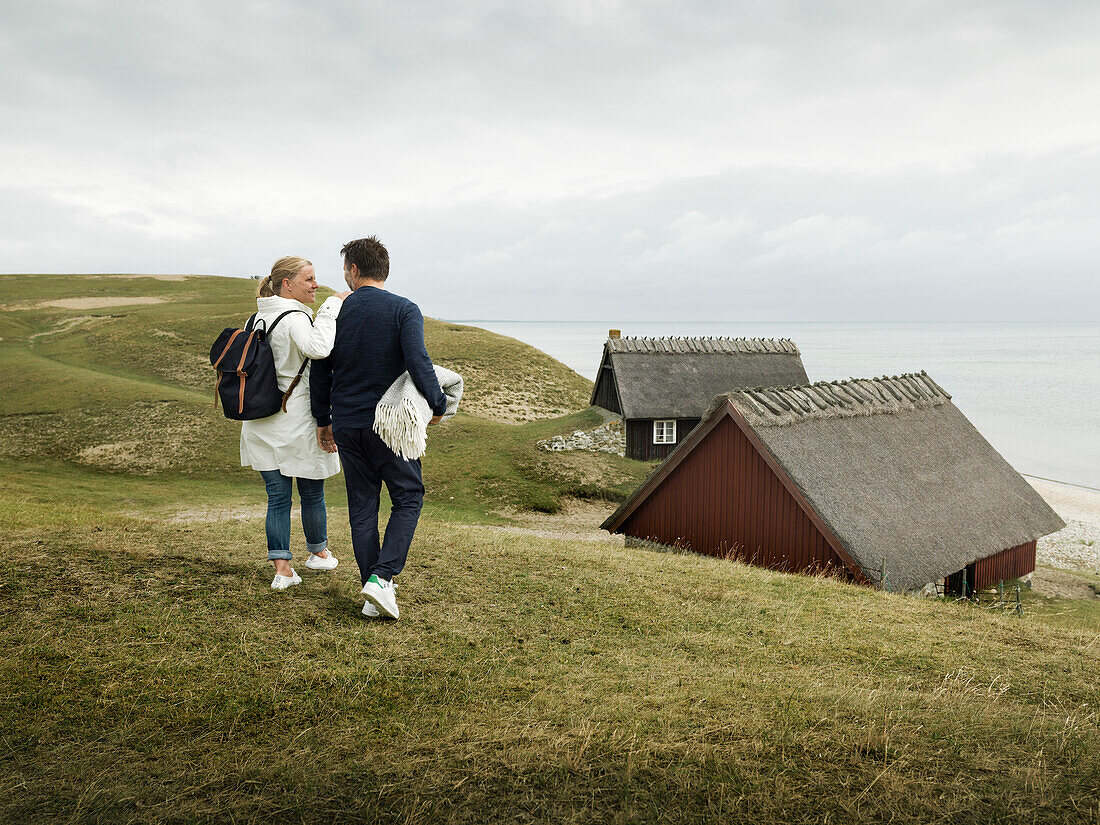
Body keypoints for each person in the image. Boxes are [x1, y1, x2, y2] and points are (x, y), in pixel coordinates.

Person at [310, 236, 446, 620]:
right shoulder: (405, 309)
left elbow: (320, 369)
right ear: (383, 269)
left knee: (363, 507)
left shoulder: (336, 311)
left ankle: (375, 586)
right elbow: (419, 362)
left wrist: (324, 421)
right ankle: (382, 579)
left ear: (354, 270)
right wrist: (439, 404)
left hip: (349, 424)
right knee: (408, 496)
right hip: (391, 424)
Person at [240, 256, 350, 590]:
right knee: (312, 492)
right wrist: (331, 308)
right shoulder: (293, 317)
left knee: (277, 496)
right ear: (287, 284)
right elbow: (318, 348)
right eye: (309, 279)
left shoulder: (256, 317)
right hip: (297, 418)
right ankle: (318, 554)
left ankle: (282, 570)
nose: (316, 285)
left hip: (260, 419)